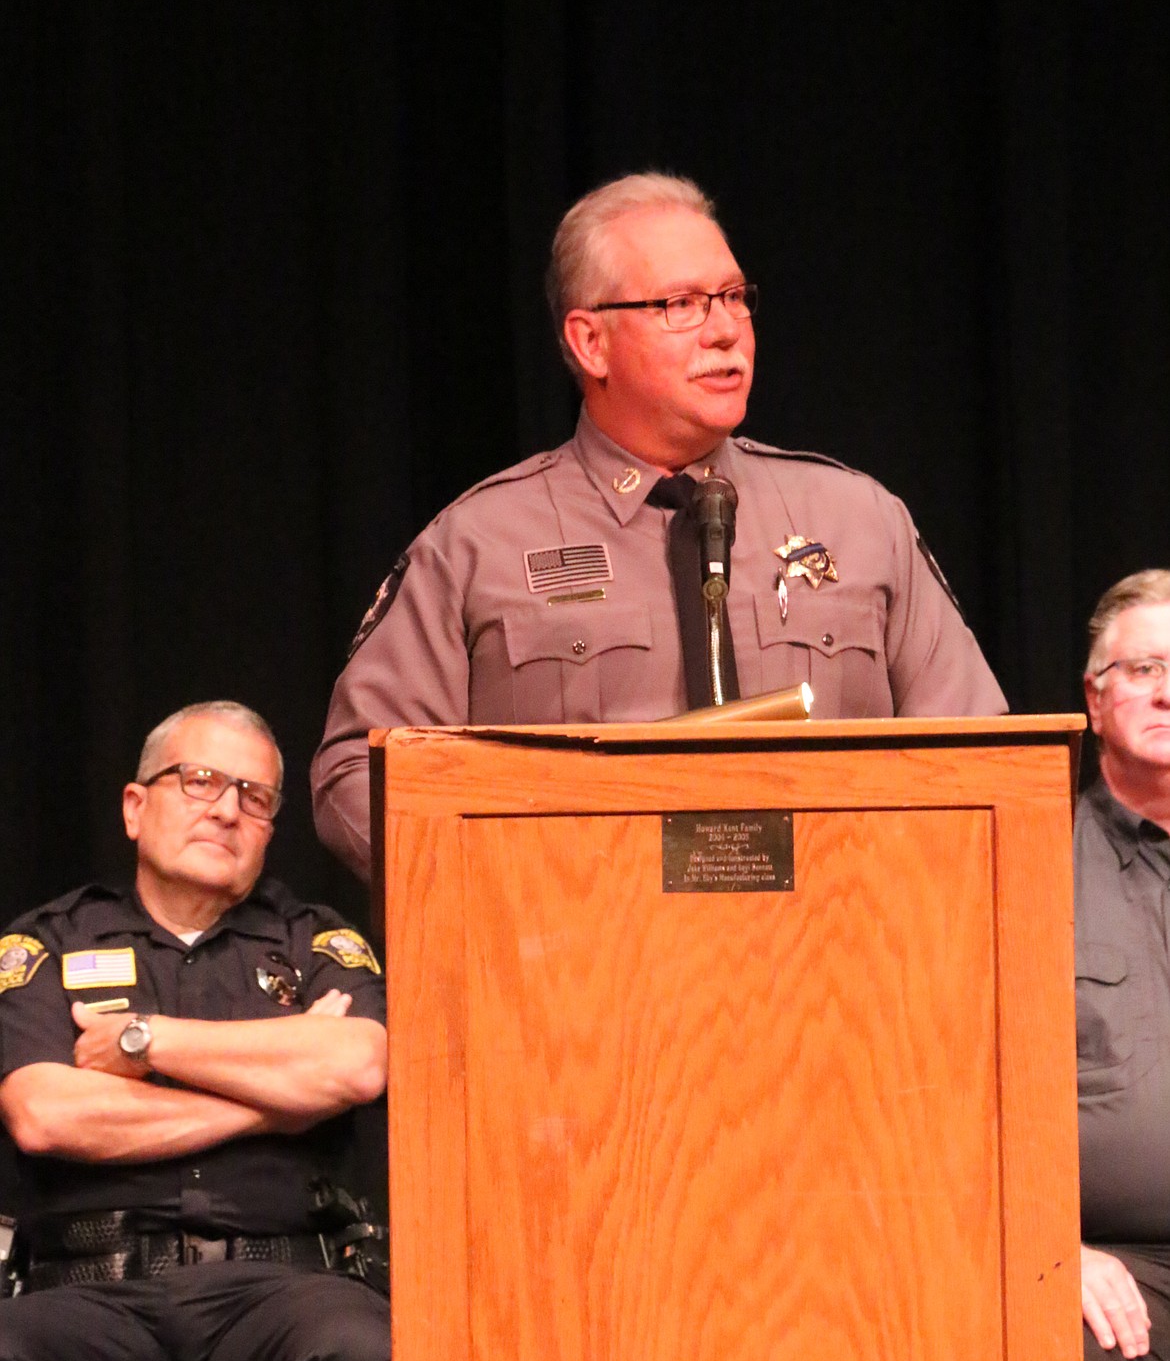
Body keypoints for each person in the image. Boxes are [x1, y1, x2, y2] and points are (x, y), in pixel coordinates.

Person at [313, 171, 1006, 880]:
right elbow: (357, 777)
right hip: (581, 965)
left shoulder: (860, 520)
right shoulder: (478, 544)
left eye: (735, 297)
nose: (727, 329)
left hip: (832, 956)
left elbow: (986, 761)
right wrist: (513, 893)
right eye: (682, 303)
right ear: (590, 342)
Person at [0, 700, 390, 1361]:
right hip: (89, 1295)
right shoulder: (48, 942)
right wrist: (274, 1104)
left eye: (254, 795)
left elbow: (358, 1063)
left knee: (364, 1357)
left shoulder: (315, 940)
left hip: (288, 1292)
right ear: (134, 806)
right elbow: (44, 1114)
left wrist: (146, 1041)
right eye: (200, 779)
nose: (226, 809)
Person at [1076, 570, 1170, 1361]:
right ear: (1095, 700)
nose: (1168, 694)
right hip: (1112, 1263)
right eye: (1145, 671)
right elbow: (949, 1098)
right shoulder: (1025, 859)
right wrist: (1046, 1250)